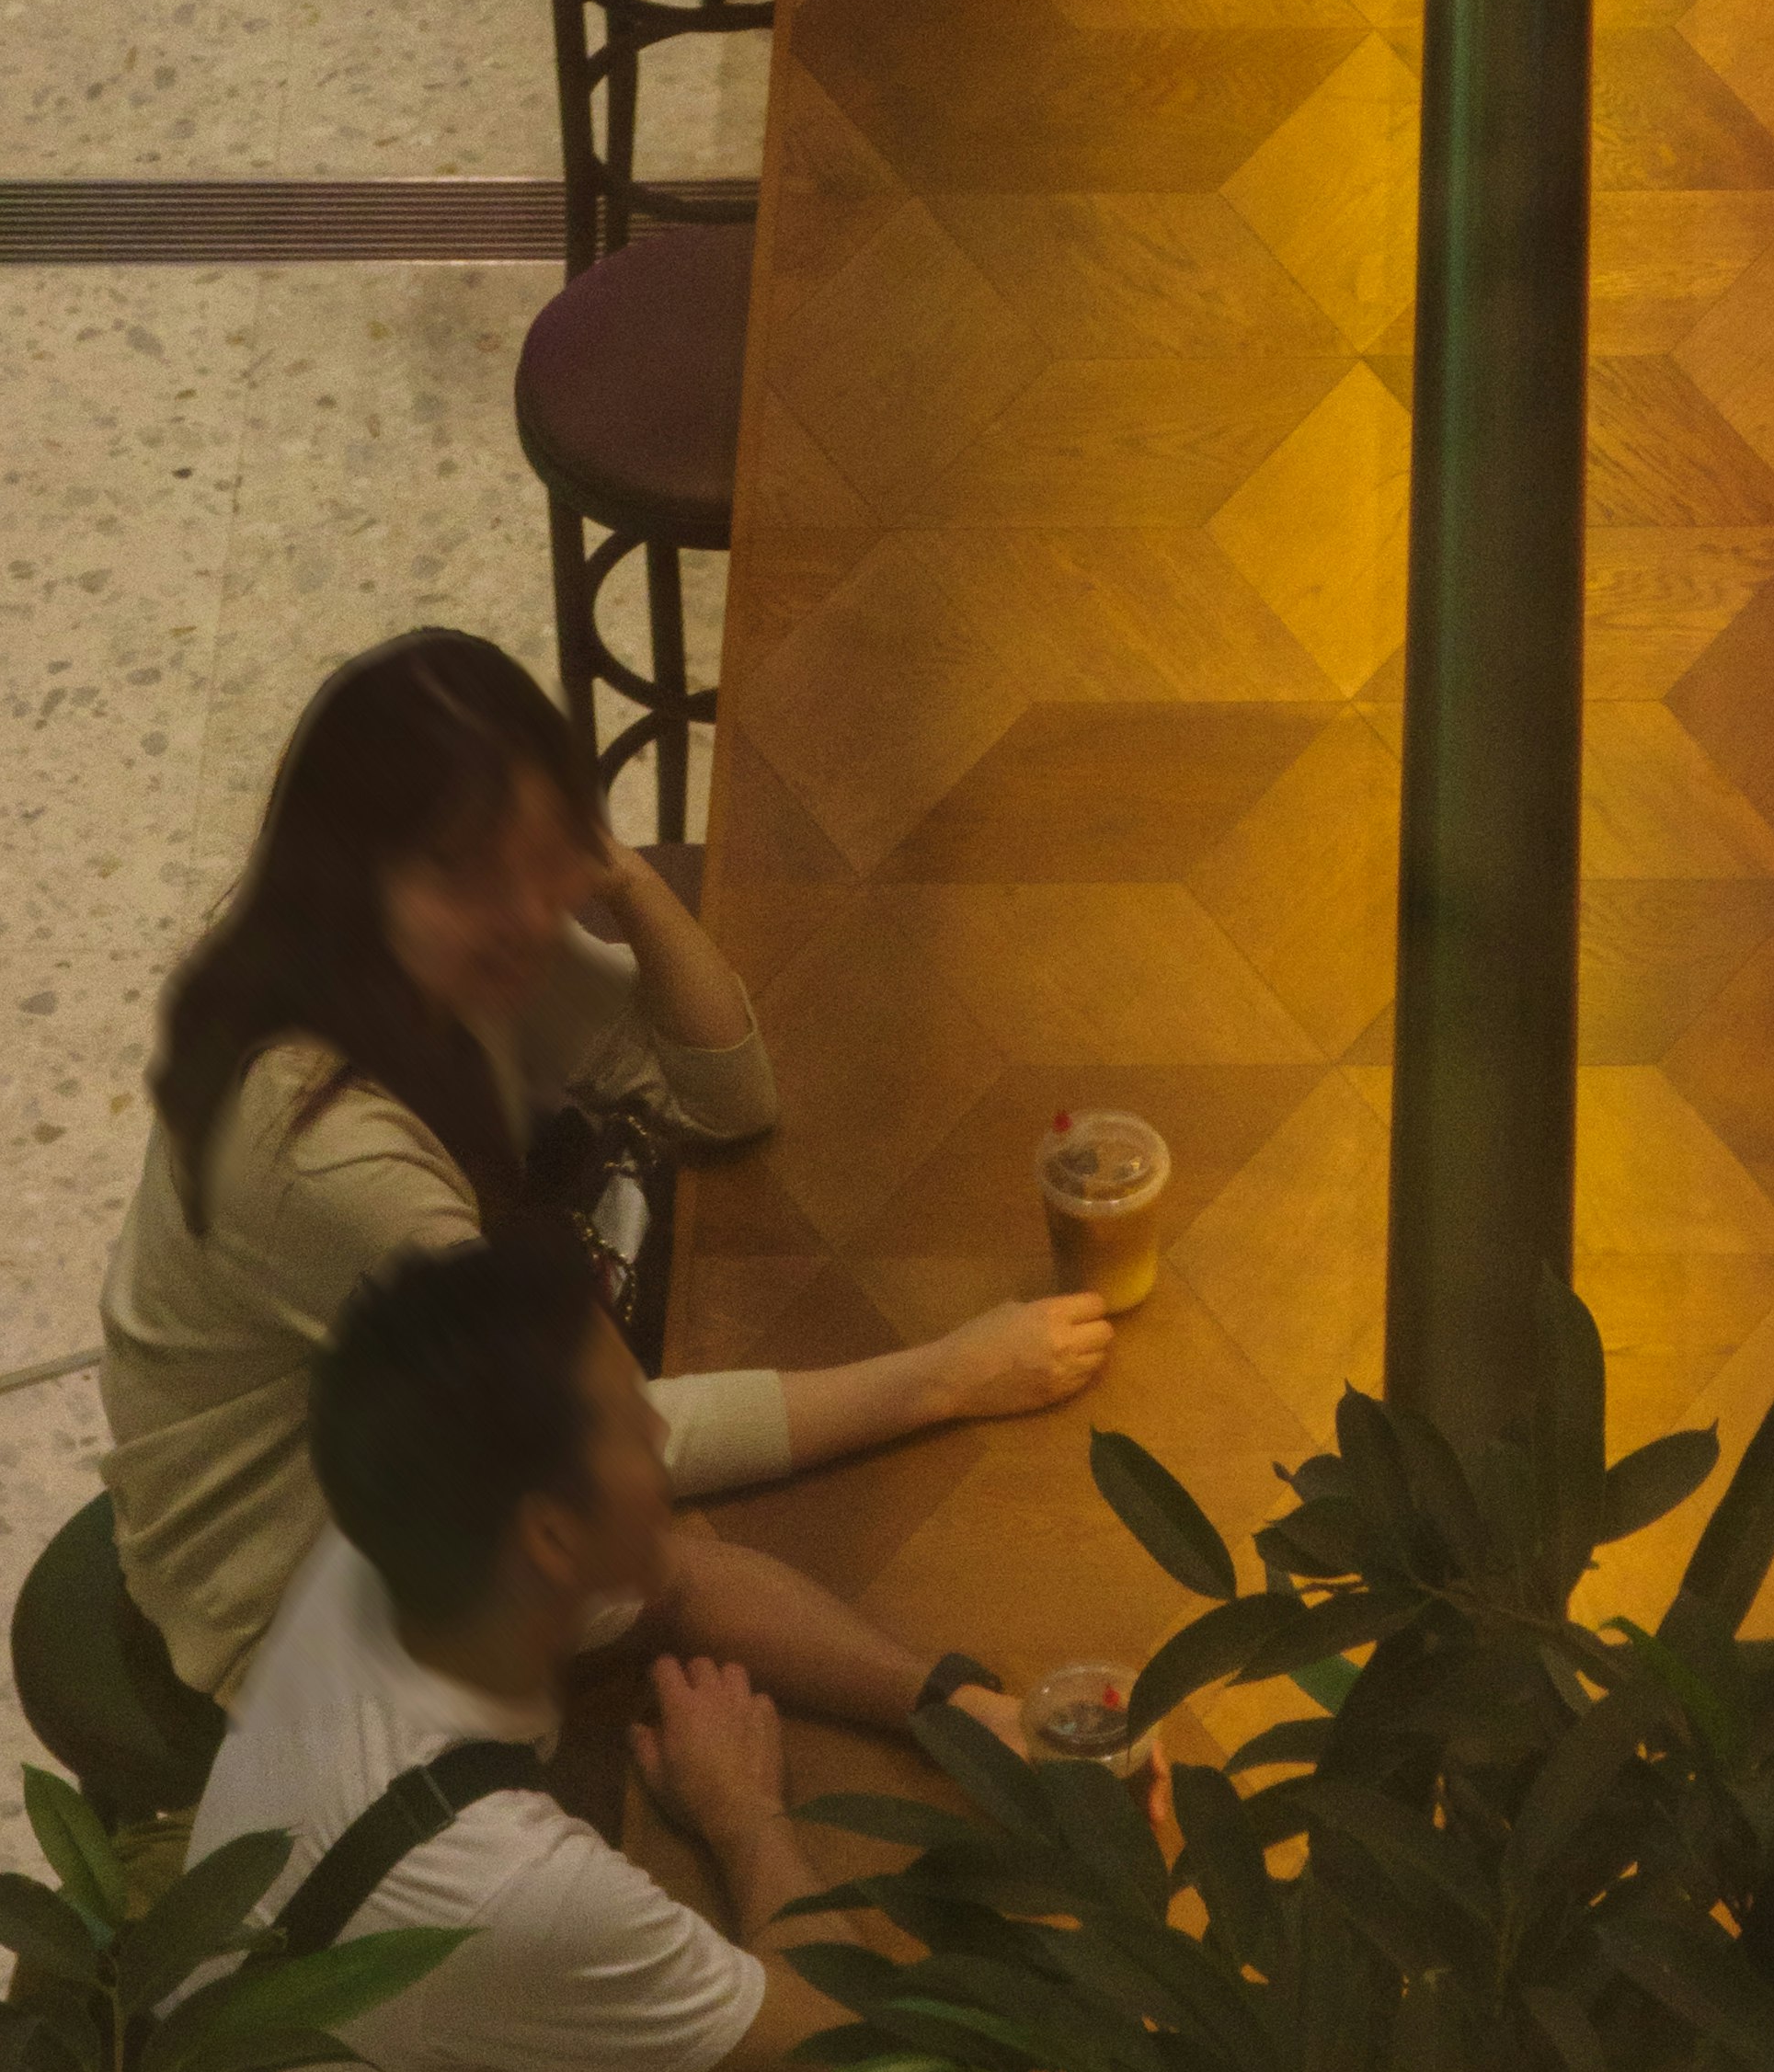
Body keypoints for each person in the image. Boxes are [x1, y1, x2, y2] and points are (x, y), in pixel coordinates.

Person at [101, 630, 1107, 1714]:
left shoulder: (445, 945)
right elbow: (626, 1435)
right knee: (659, 1568)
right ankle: (964, 1716)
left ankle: (956, 1713)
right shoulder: (321, 1153)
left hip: (405, 1420)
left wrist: (619, 874)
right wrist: (949, 1375)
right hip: (278, 1579)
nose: (530, 911)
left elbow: (723, 1098)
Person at [192, 1238, 859, 2072]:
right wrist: (747, 1815)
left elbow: (684, 1581)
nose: (661, 1433)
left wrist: (950, 1697)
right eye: (631, 1419)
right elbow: (851, 2048)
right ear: (550, 1535)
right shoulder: (503, 1886)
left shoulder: (400, 1551)